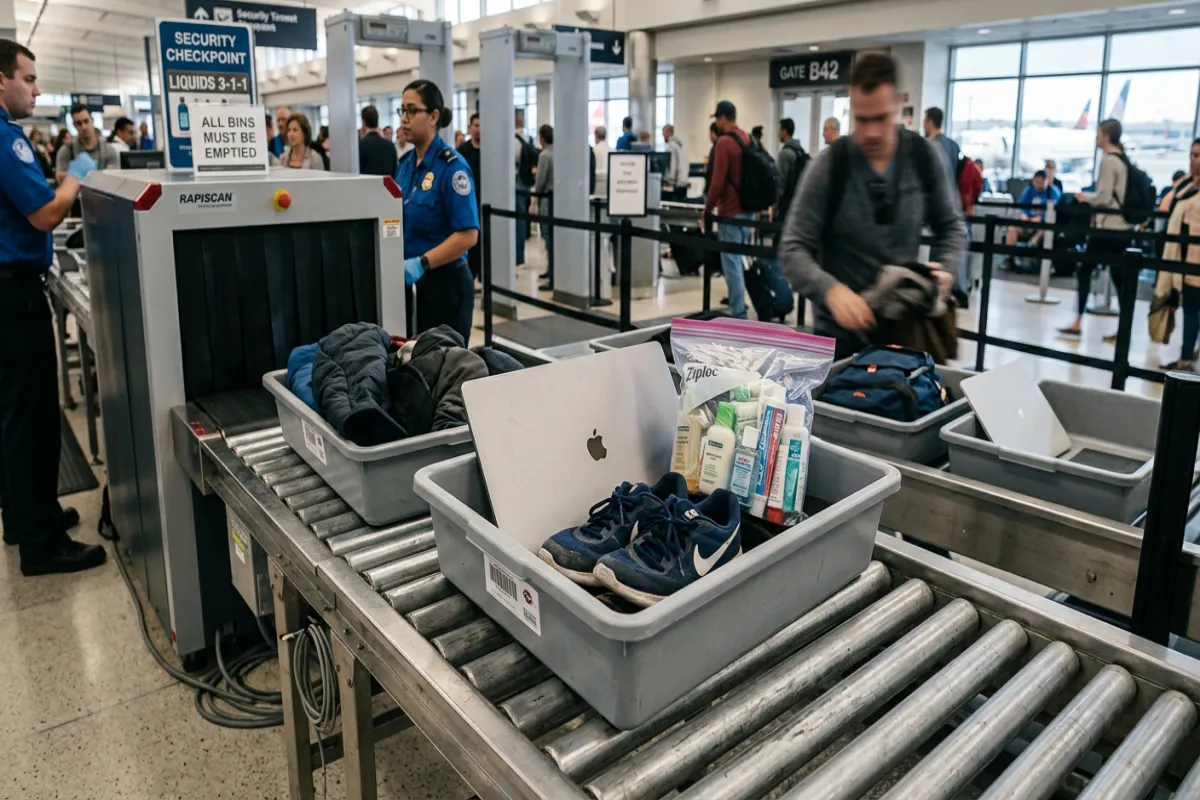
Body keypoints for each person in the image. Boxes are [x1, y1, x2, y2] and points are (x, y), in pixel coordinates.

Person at [0, 40, 107, 575]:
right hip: (12, 294)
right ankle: (41, 545)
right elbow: (44, 215)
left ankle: (24, 516)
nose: (37, 89)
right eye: (29, 78)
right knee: (32, 415)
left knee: (12, 414)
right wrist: (72, 181)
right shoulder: (4, 138)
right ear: (1, 80)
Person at [779, 53, 965, 359]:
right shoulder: (829, 166)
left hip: (903, 333)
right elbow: (792, 248)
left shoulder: (923, 157)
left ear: (898, 104)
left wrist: (945, 270)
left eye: (880, 118)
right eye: (861, 120)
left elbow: (952, 226)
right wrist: (831, 291)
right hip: (839, 341)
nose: (871, 132)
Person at [394, 78, 479, 343]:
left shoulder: (452, 168)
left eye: (411, 110)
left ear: (433, 116)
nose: (404, 118)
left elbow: (467, 235)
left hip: (446, 285)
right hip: (414, 288)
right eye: (402, 110)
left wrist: (422, 263)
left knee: (445, 371)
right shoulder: (406, 165)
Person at [703, 99, 793, 320]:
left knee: (732, 266)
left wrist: (707, 210)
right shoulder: (747, 138)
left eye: (717, 118)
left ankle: (739, 314)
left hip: (730, 213)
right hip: (749, 213)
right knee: (745, 263)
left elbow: (717, 182)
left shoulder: (724, 142)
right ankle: (762, 305)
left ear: (722, 118)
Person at [1059, 119, 1137, 339]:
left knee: (1085, 269)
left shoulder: (1109, 161)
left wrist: (1084, 197)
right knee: (1117, 274)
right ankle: (1124, 329)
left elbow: (1103, 196)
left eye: (1098, 133)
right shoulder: (1123, 159)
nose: (1096, 137)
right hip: (1123, 228)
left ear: (1106, 136)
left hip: (1109, 228)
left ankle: (1078, 322)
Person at [1156, 138, 1200, 370]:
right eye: (1192, 154)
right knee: (1191, 310)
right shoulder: (1187, 188)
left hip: (1195, 263)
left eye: (1199, 156)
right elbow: (1167, 203)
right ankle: (1187, 354)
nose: (1194, 160)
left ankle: (1186, 359)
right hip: (1184, 260)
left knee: (1193, 311)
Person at [56, 102, 117, 183]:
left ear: (92, 121)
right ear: (74, 125)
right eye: (79, 123)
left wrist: (80, 175)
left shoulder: (108, 149)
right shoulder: (66, 150)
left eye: (86, 121)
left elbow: (113, 178)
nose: (83, 127)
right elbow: (60, 176)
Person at [1005, 169, 1061, 250]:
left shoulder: (1053, 192)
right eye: (1036, 182)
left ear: (1046, 181)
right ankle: (1009, 258)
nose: (1037, 185)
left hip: (1044, 225)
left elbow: (1055, 210)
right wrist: (1024, 215)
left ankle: (1031, 248)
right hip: (1028, 222)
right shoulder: (1029, 190)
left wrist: (1042, 219)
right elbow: (1021, 206)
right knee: (1012, 229)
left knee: (1043, 231)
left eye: (1040, 182)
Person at [457, 113, 483, 282]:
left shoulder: (490, 152)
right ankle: (472, 274)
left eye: (481, 125)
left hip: (486, 202)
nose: (478, 129)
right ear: (470, 128)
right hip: (469, 201)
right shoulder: (463, 151)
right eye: (475, 125)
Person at [531, 124, 555, 281]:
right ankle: (552, 270)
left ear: (542, 138)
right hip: (557, 199)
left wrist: (533, 200)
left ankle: (552, 273)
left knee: (548, 236)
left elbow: (540, 182)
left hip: (547, 199)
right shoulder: (559, 152)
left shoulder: (544, 155)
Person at [776, 117, 809, 221]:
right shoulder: (799, 150)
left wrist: (774, 205)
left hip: (787, 202)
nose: (778, 133)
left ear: (785, 131)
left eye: (779, 130)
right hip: (799, 200)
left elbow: (781, 181)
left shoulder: (785, 153)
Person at [358, 104, 397, 176]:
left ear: (363, 122)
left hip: (365, 186)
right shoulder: (390, 146)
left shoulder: (359, 146)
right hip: (385, 187)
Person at [663, 124, 688, 201]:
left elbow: (672, 165)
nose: (662, 135)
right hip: (683, 181)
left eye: (663, 132)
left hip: (677, 183)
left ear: (668, 132)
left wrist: (669, 181)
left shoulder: (671, 147)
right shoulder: (678, 145)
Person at [703, 121, 719, 194]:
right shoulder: (717, 147)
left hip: (712, 190)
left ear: (713, 133)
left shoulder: (716, 148)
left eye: (710, 133)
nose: (709, 135)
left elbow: (711, 171)